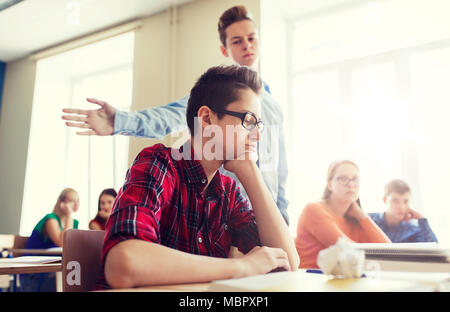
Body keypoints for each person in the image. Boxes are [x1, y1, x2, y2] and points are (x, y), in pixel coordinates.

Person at [61, 5, 290, 225]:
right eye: (237, 41)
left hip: (268, 219)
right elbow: (169, 117)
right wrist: (120, 121)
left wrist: (282, 219)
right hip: (229, 220)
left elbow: (279, 170)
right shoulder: (217, 96)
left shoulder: (274, 109)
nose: (247, 46)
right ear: (225, 50)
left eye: (251, 38)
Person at [93, 65, 299, 290]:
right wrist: (243, 267)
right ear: (207, 118)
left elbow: (287, 262)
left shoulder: (228, 191)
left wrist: (251, 171)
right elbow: (124, 263)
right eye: (249, 121)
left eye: (258, 125)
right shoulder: (160, 163)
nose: (258, 135)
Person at [295, 160, 391, 269]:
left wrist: (362, 216)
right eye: (343, 179)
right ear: (330, 184)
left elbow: (388, 250)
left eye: (355, 179)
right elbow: (350, 252)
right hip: (312, 278)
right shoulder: (313, 210)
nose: (351, 184)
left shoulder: (355, 218)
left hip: (342, 279)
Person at [20, 188, 80, 292]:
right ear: (62, 202)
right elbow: (63, 243)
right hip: (36, 267)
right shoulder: (51, 219)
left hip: (53, 264)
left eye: (77, 200)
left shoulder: (74, 223)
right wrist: (69, 215)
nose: (76, 204)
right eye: (72, 201)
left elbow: (73, 246)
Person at [369, 179, 438, 243]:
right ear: (385, 200)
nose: (401, 207)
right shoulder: (369, 220)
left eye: (406, 201)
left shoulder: (413, 230)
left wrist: (422, 219)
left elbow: (433, 250)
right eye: (395, 201)